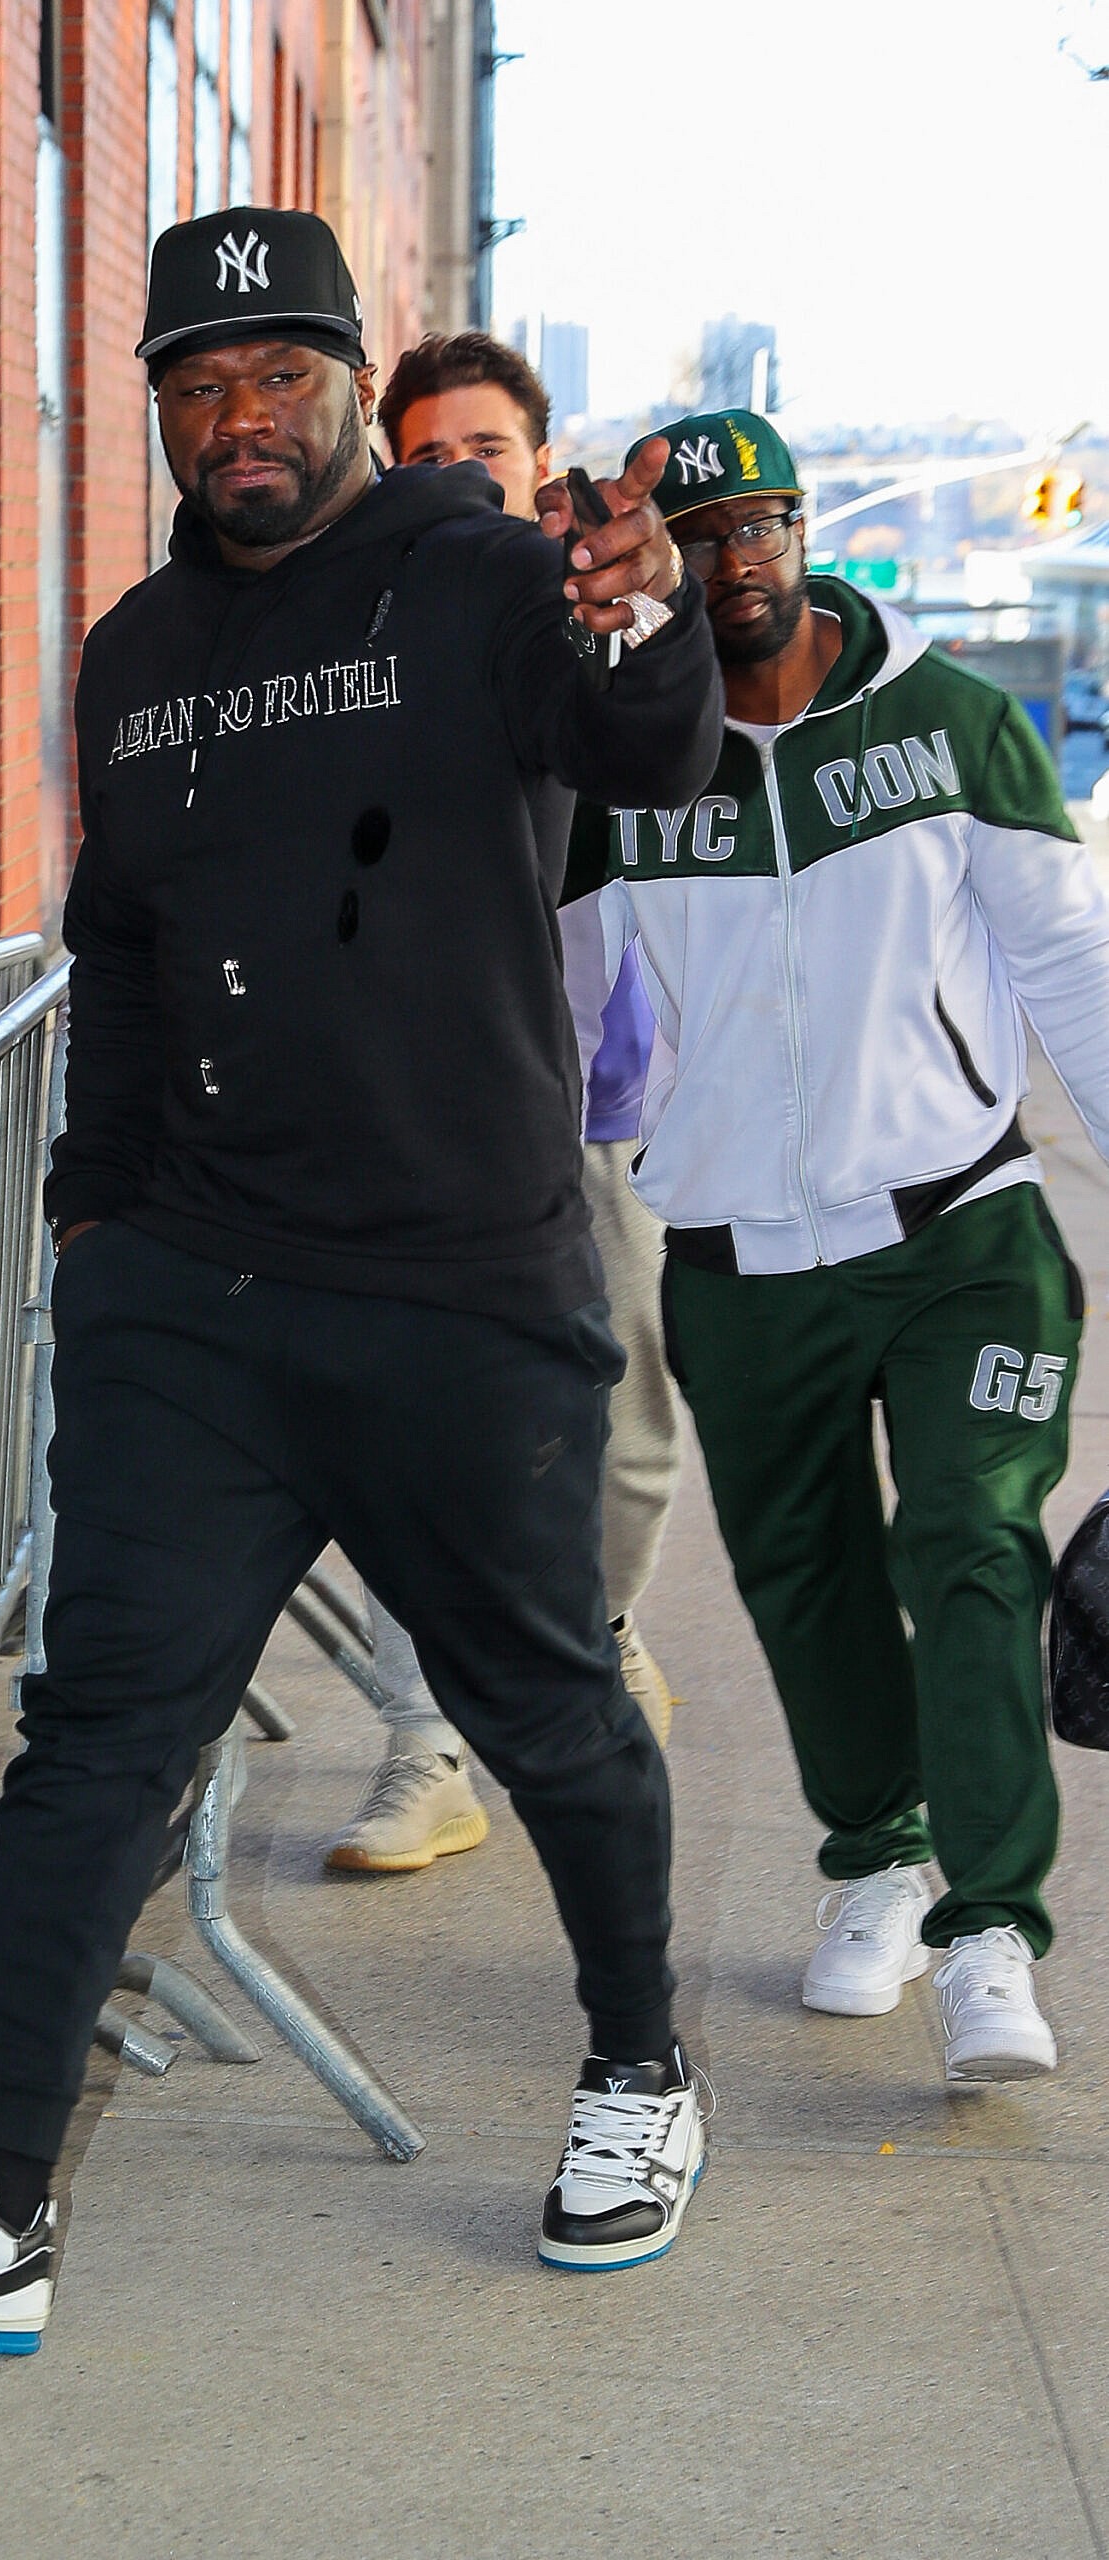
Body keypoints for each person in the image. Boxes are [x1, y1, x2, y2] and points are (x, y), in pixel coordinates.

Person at [0, 210, 723, 2354]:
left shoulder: (475, 576)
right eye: (191, 389)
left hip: (456, 1280)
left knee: (542, 1701)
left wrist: (643, 620)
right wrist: (94, 1214)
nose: (231, 421)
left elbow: (644, 750)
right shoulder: (132, 648)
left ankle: (638, 2064)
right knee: (93, 1735)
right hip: (191, 1289)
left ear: (350, 386)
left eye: (272, 375)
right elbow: (118, 934)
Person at [563, 406, 1109, 2086]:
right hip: (736, 1260)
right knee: (805, 1588)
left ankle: (994, 1930)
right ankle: (877, 1857)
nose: (737, 563)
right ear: (652, 560)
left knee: (969, 1542)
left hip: (963, 1233)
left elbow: (1074, 970)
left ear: (801, 532)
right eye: (699, 537)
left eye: (761, 527)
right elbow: (572, 1014)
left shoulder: (948, 724)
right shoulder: (624, 767)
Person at [322, 332, 682, 1877]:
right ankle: (430, 1742)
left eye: (487, 450)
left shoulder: (605, 613)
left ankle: (588, 1629)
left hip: (598, 1103)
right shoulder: (379, 628)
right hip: (424, 1113)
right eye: (428, 455)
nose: (459, 475)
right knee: (418, 1436)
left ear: (541, 465)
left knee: (629, 1434)